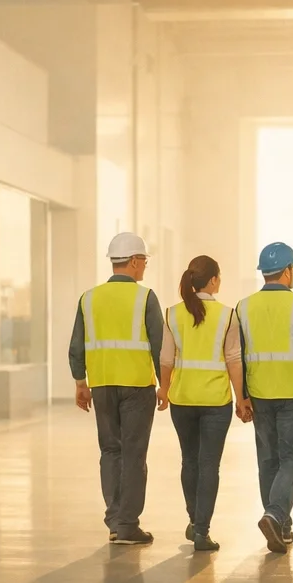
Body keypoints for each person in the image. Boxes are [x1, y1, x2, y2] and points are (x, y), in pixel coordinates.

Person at [70, 232, 165, 546]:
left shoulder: (88, 298)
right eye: (145, 262)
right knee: (134, 455)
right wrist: (166, 385)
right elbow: (159, 346)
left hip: (101, 385)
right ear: (135, 262)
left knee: (110, 451)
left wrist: (80, 383)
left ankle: (114, 519)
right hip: (137, 385)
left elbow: (76, 347)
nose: (145, 268)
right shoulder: (145, 297)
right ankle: (126, 525)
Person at [238, 242, 293, 554]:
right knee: (292, 458)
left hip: (260, 394)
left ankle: (280, 524)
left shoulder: (243, 307)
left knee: (268, 460)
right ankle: (276, 515)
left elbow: (239, 357)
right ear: (288, 270)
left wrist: (242, 396)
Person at [156, 255, 248, 553]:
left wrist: (163, 390)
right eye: (218, 277)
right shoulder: (227, 315)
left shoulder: (173, 313)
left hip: (182, 399)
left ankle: (195, 520)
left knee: (189, 460)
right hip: (215, 401)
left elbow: (166, 360)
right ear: (212, 281)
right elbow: (234, 360)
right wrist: (241, 398)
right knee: (209, 464)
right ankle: (201, 531)